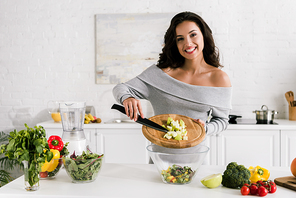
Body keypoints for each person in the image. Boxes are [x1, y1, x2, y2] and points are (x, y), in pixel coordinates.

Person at [113, 11, 232, 136]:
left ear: (204, 35)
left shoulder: (219, 78)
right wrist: (127, 97)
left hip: (198, 152)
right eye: (180, 39)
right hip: (158, 153)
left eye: (193, 35)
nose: (188, 43)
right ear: (175, 43)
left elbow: (222, 120)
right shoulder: (159, 74)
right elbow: (120, 88)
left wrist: (204, 128)